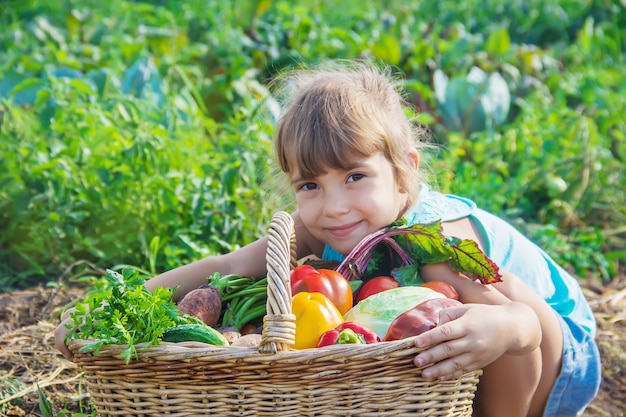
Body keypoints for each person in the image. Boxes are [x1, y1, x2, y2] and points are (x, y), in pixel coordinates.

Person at [55, 61, 600, 417]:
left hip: (557, 361)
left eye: (355, 177)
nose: (334, 206)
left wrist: (506, 327)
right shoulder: (315, 225)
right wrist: (104, 312)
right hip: (471, 362)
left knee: (485, 329)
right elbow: (221, 267)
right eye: (310, 184)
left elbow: (533, 330)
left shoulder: (432, 242)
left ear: (405, 171)